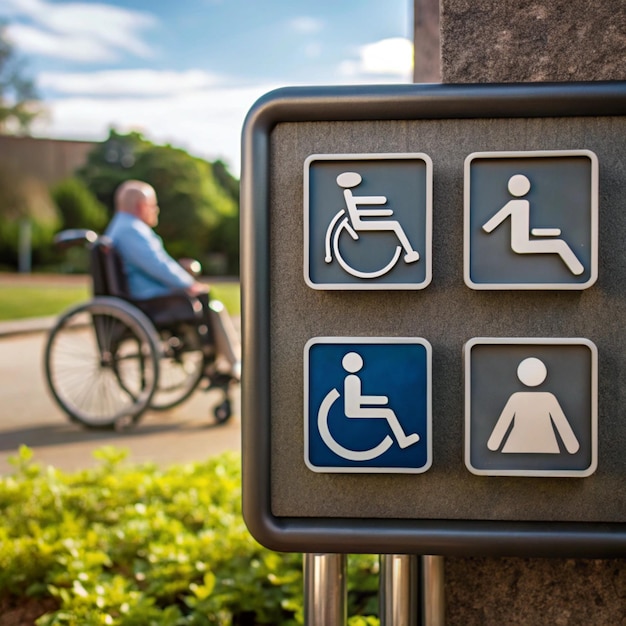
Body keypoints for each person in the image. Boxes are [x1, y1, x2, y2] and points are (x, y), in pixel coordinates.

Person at [105, 179, 215, 355]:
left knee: (211, 305)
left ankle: (228, 359)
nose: (155, 210)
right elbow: (158, 265)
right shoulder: (132, 230)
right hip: (148, 299)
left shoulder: (121, 226)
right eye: (153, 205)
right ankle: (226, 359)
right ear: (141, 206)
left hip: (142, 294)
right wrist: (188, 283)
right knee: (208, 302)